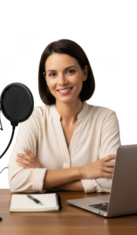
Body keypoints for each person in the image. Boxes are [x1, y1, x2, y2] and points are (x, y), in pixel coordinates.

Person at [7, 38, 121, 193]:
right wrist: (83, 171)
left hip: (90, 215)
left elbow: (112, 182)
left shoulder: (106, 117)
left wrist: (43, 174)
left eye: (70, 71)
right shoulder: (34, 117)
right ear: (45, 78)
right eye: (53, 74)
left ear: (84, 73)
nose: (62, 81)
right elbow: (16, 181)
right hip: (41, 215)